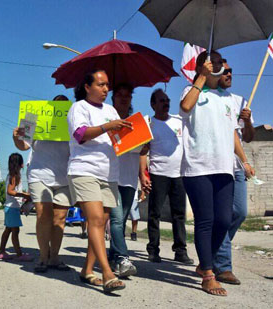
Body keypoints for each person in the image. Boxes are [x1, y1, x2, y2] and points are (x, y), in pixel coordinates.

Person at [179, 50, 252, 296]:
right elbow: (185, 106)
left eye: (221, 63)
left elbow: (233, 133)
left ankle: (205, 260)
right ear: (203, 66)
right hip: (198, 167)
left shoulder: (228, 98)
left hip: (224, 168)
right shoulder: (191, 92)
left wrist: (242, 161)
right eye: (215, 63)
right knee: (206, 220)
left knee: (224, 219)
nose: (219, 66)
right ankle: (208, 274)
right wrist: (200, 78)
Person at [67, 69, 130, 293]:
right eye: (100, 85)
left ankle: (86, 270)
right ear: (87, 86)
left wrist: (134, 134)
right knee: (94, 220)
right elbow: (80, 134)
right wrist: (108, 126)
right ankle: (107, 273)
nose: (105, 90)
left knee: (101, 224)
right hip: (85, 170)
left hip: (109, 173)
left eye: (107, 86)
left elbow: (116, 139)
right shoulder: (79, 107)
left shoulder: (111, 109)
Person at [12, 94, 72, 273]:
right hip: (39, 174)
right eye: (57, 105)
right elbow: (23, 146)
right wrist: (16, 137)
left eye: (65, 106)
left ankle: (55, 257)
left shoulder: (74, 122)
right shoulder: (35, 117)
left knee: (60, 219)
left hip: (64, 177)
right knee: (43, 215)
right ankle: (43, 257)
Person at [139, 89, 193, 265]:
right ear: (153, 104)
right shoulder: (149, 124)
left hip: (179, 175)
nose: (166, 103)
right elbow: (143, 151)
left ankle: (180, 251)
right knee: (155, 214)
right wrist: (143, 174)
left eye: (167, 100)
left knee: (179, 215)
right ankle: (153, 250)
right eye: (161, 101)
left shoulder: (179, 121)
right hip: (158, 174)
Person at [213, 59, 255, 285]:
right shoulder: (209, 99)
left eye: (231, 71)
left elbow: (245, 137)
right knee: (223, 215)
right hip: (216, 164)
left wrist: (247, 122)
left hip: (235, 165)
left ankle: (212, 250)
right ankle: (223, 266)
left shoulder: (239, 101)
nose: (229, 74)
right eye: (224, 71)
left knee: (240, 212)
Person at [107, 83, 138, 278]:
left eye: (128, 95)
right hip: (112, 176)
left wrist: (145, 149)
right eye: (120, 95)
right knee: (117, 219)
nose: (124, 99)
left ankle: (112, 255)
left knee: (122, 219)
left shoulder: (138, 123)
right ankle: (122, 258)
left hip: (130, 177)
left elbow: (142, 151)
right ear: (113, 98)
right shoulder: (107, 119)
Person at [0, 153, 33, 261]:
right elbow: (10, 191)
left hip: (10, 207)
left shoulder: (11, 175)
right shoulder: (14, 177)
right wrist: (24, 195)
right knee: (15, 231)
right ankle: (19, 254)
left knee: (8, 230)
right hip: (12, 208)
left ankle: (1, 252)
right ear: (20, 164)